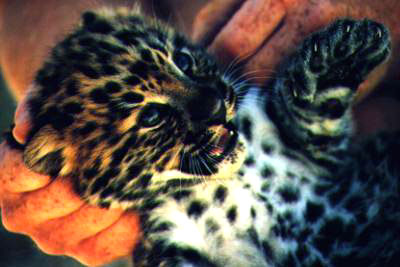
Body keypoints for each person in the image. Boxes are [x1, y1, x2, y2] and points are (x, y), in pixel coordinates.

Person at [1, 0, 399, 265]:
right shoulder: (170, 227)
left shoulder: (249, 111)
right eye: (154, 118)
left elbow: (311, 132)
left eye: (185, 63)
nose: (210, 103)